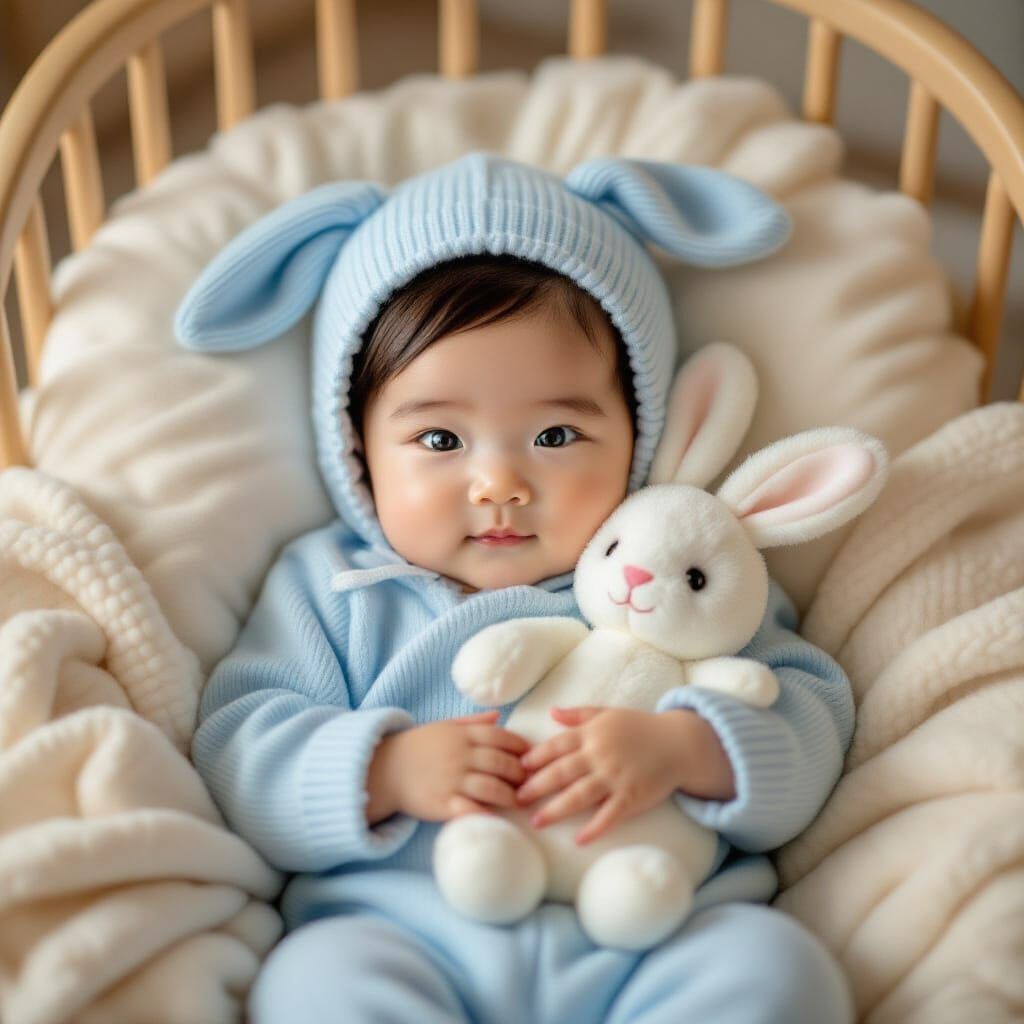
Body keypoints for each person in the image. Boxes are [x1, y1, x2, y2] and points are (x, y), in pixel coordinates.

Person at [175, 152, 855, 1023]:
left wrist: (689, 750)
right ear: (356, 449)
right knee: (313, 984)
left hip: (650, 939)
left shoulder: (672, 573)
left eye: (557, 435)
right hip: (409, 936)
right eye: (440, 441)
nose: (499, 484)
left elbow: (808, 712)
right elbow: (240, 747)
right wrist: (383, 769)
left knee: (778, 969)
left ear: (641, 434)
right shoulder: (334, 588)